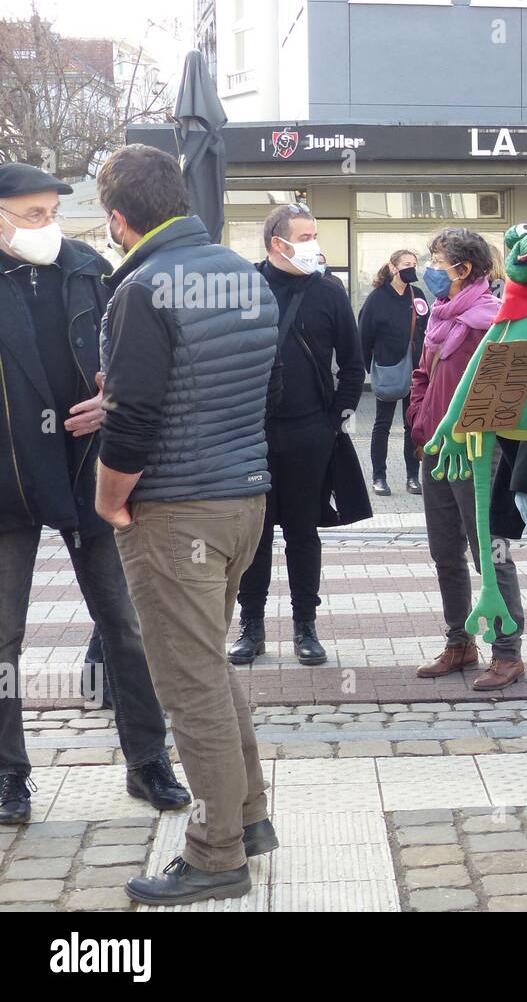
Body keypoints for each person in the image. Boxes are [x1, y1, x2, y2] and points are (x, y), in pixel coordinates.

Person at [94, 144, 279, 904]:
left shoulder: (142, 287)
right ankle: (251, 816)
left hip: (174, 509)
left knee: (189, 679)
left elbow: (135, 417)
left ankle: (214, 853)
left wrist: (109, 498)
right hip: (244, 498)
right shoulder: (243, 274)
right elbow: (213, 384)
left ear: (118, 219)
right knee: (212, 664)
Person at [0, 161, 189, 826]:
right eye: (31, 214)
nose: (46, 224)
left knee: (127, 626)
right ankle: (9, 772)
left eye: (52, 210)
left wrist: (111, 402)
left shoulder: (89, 266)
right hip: (7, 480)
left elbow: (133, 357)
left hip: (87, 470)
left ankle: (148, 760)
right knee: (4, 637)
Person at [228, 204, 364, 668]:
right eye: (304, 235)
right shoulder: (244, 285)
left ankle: (305, 625)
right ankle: (252, 625)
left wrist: (334, 419)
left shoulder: (329, 291)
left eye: (314, 233)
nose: (313, 244)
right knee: (256, 533)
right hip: (251, 432)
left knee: (303, 533)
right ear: (276, 243)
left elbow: (352, 362)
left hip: (311, 432)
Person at [408, 228, 526, 692]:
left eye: (438, 261)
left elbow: (503, 392)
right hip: (435, 452)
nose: (430, 269)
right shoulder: (440, 315)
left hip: (478, 456)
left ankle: (506, 651)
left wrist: (471, 435)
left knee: (491, 555)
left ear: (465, 268)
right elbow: (422, 374)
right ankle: (459, 642)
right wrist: (419, 424)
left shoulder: (491, 320)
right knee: (444, 554)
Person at [360, 249, 428, 497]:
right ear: (392, 267)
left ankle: (412, 476)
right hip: (388, 368)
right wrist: (371, 368)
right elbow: (363, 335)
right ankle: (379, 476)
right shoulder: (377, 298)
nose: (412, 268)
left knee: (413, 424)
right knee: (382, 424)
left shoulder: (417, 295)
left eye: (414, 264)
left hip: (416, 370)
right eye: (406, 264)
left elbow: (428, 329)